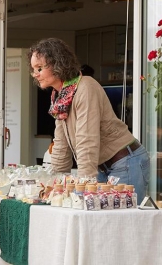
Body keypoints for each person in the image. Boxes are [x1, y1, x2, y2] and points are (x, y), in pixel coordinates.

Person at [27, 38, 150, 204]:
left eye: (40, 68)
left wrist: (84, 185)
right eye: (34, 69)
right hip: (101, 166)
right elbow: (61, 144)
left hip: (125, 162)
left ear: (57, 64)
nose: (35, 74)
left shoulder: (85, 87)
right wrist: (54, 184)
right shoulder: (60, 95)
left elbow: (87, 140)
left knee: (124, 222)